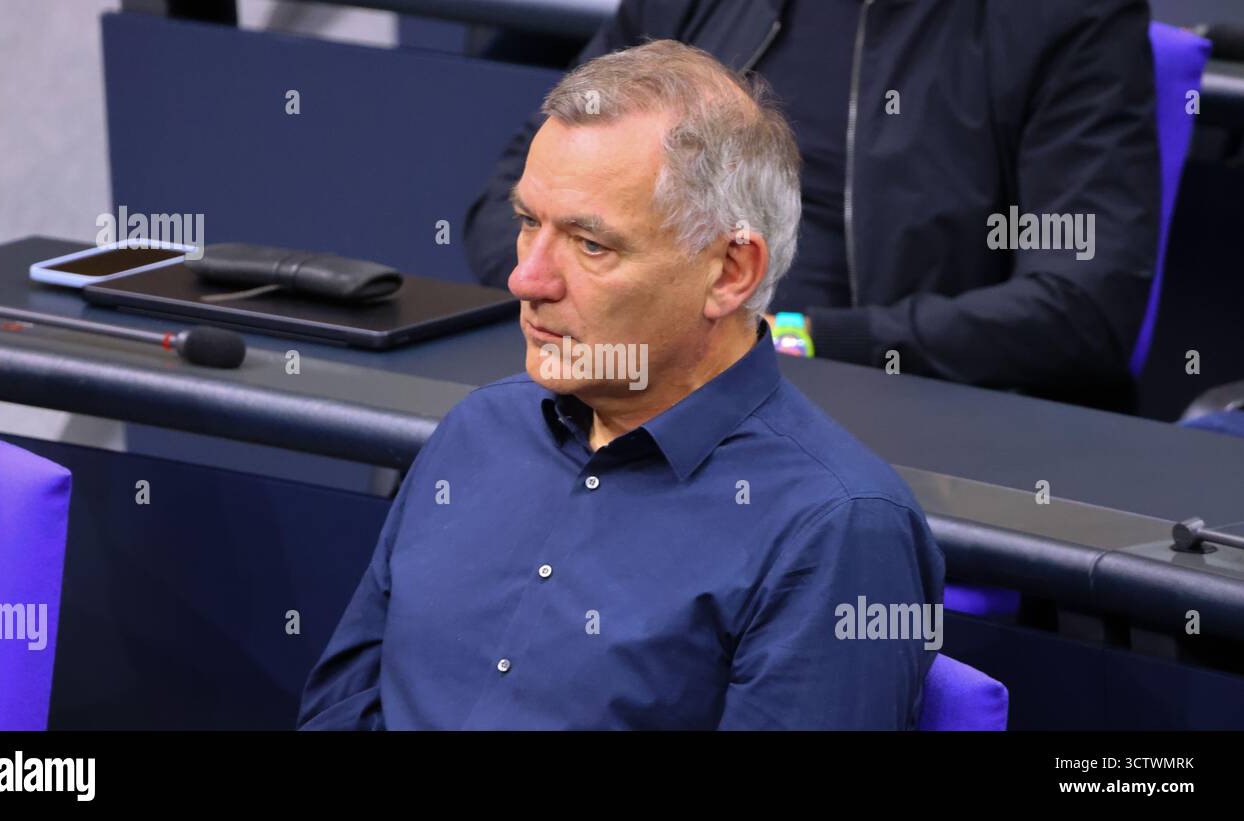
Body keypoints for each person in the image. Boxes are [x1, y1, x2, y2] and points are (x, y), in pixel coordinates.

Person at [298, 41, 943, 730]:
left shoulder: (838, 529)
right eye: (527, 224)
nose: (527, 279)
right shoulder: (477, 431)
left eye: (590, 244)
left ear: (730, 272)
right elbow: (338, 709)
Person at [464, 0, 1160, 411]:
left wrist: (787, 338)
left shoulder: (1062, 17)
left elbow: (1083, 307)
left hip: (861, 409)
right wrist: (608, 324)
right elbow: (511, 198)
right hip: (626, 380)